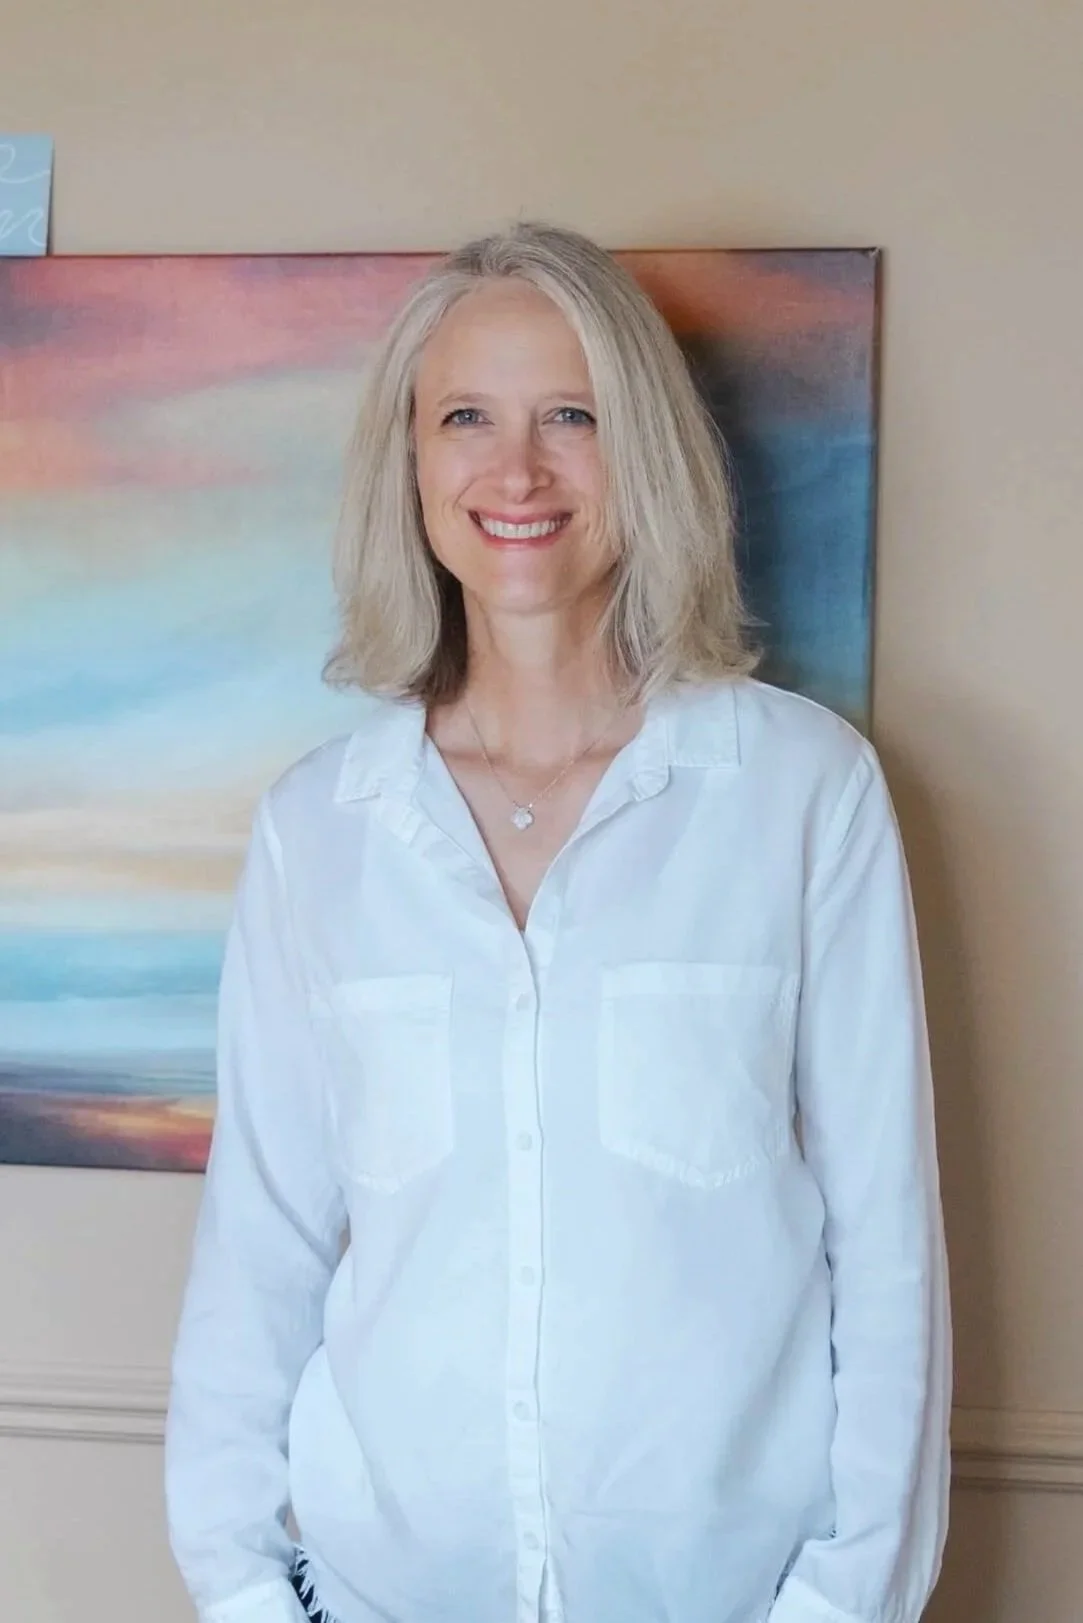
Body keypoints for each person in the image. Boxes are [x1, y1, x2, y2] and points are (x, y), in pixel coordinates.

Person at [165, 222, 951, 1623]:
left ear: (640, 449)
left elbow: (884, 1250)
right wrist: (237, 1590)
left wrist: (840, 1603)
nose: (513, 471)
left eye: (568, 417)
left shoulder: (800, 794)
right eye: (465, 415)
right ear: (409, 463)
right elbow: (260, 1249)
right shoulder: (318, 832)